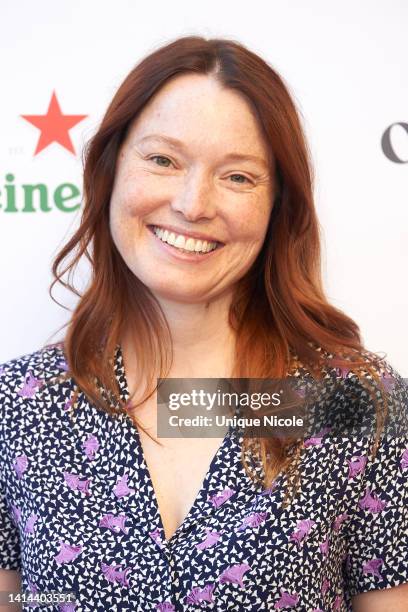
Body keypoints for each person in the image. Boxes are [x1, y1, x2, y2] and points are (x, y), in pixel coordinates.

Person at [1, 36, 407, 612]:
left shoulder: (357, 403)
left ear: (277, 205)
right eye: (163, 160)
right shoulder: (19, 406)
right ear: (110, 170)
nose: (194, 204)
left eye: (238, 177)